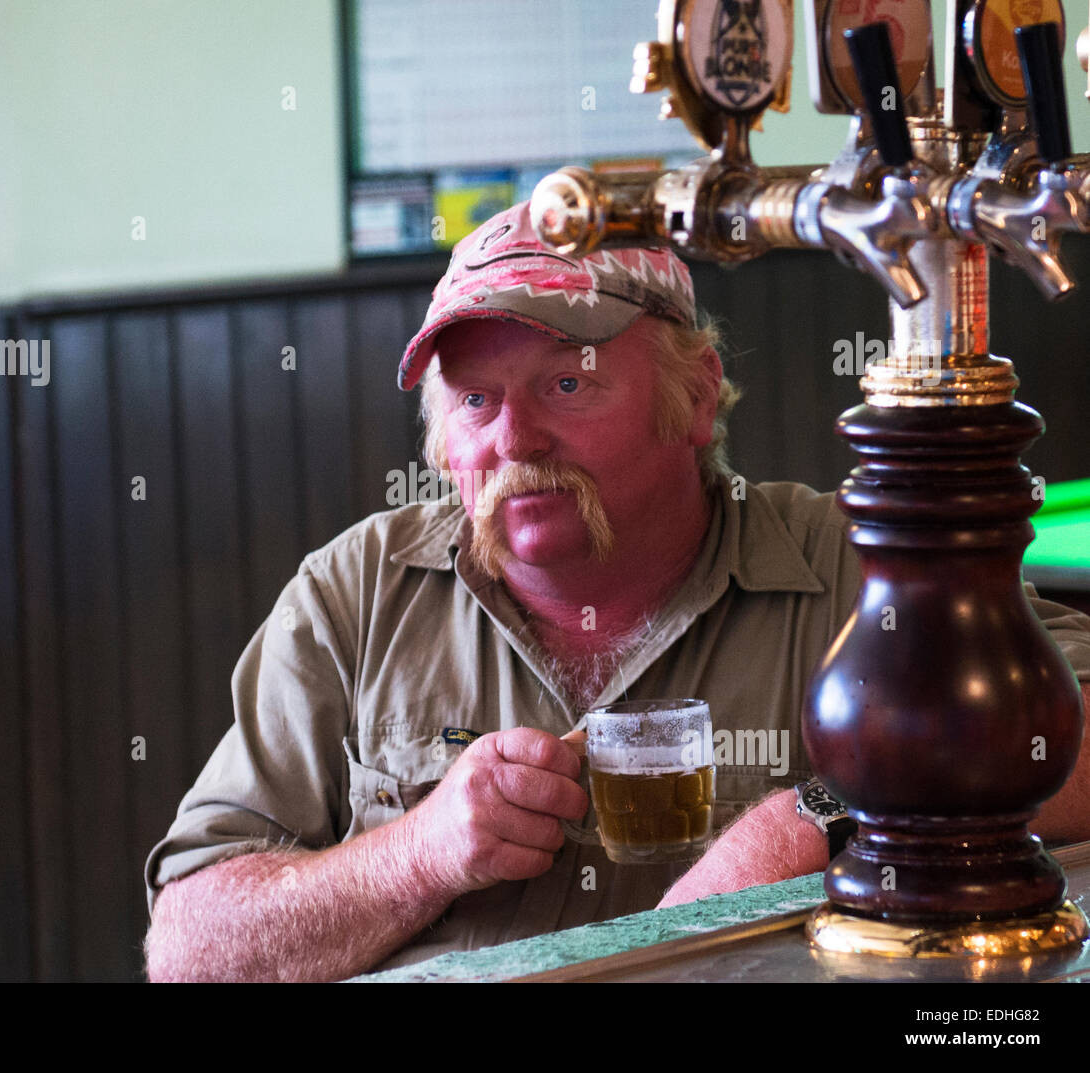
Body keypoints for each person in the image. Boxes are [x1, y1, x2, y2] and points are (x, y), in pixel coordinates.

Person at [142, 201, 1090, 982]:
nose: (514, 441)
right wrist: (420, 853)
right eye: (476, 400)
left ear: (697, 396)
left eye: (566, 383)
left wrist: (818, 814)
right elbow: (188, 949)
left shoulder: (853, 563)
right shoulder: (355, 595)